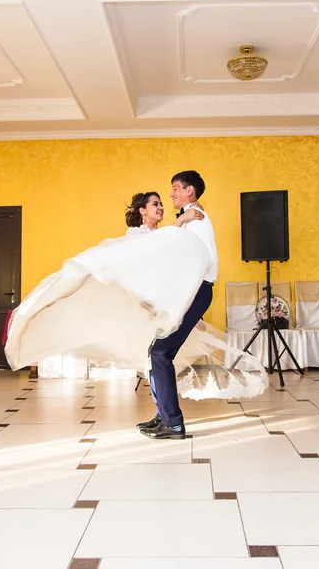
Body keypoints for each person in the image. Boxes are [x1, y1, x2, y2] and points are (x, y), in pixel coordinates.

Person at [5, 183, 268, 414]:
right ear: (143, 210)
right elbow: (147, 261)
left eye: (162, 203)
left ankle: (163, 413)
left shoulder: (166, 234)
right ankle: (164, 414)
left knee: (157, 361)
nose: (161, 207)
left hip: (162, 309)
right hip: (143, 309)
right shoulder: (138, 235)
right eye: (155, 204)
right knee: (155, 359)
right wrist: (181, 221)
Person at [138, 171, 218, 440]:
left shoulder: (196, 219)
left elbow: (198, 262)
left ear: (189, 191)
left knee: (160, 353)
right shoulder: (190, 217)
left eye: (175, 188)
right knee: (156, 352)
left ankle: (172, 423)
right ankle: (165, 414)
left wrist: (178, 297)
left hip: (194, 293)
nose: (171, 194)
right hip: (191, 293)